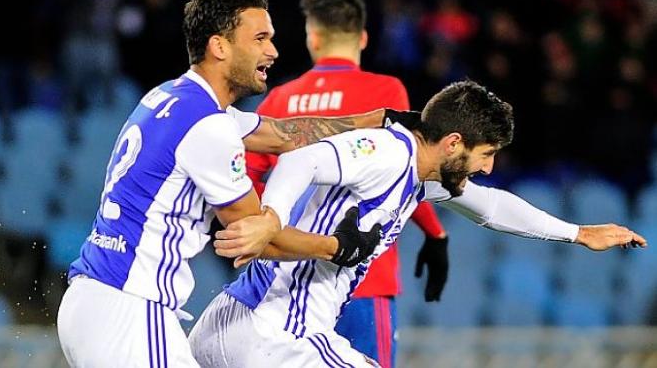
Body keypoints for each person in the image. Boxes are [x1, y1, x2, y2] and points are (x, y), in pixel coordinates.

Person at [56, 0, 404, 367]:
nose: (272, 51)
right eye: (259, 39)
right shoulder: (210, 128)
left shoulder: (172, 97)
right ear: (219, 46)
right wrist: (337, 248)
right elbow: (257, 236)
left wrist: (373, 119)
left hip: (90, 302)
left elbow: (280, 134)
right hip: (129, 310)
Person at [189, 80, 647, 367]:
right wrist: (271, 219)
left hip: (235, 323)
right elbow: (302, 160)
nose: (487, 167)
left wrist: (577, 233)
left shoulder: (417, 177)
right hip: (278, 334)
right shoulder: (387, 152)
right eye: (485, 154)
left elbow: (490, 207)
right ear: (452, 143)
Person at [244, 0, 448, 367]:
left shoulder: (281, 99)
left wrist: (272, 236)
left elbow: (247, 181)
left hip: (290, 281)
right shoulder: (385, 93)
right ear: (364, 38)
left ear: (314, 38)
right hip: (364, 277)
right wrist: (435, 234)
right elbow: (412, 170)